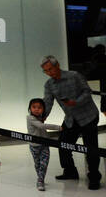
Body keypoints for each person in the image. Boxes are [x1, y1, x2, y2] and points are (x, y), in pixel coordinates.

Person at [40, 54, 102, 189]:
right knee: (63, 145)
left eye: (50, 69)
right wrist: (42, 116)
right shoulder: (49, 84)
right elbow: (47, 102)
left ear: (58, 66)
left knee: (90, 148)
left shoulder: (74, 75)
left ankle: (94, 177)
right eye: (46, 71)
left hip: (88, 116)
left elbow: (87, 91)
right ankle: (70, 171)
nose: (49, 73)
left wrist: (76, 102)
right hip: (70, 119)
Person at [26, 98, 50, 191]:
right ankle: (40, 177)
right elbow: (41, 126)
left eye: (39, 107)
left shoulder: (41, 117)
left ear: (43, 109)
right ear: (30, 109)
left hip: (44, 144)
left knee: (44, 163)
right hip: (34, 146)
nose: (36, 109)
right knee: (37, 164)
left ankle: (40, 180)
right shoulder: (30, 118)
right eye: (34, 107)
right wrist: (59, 127)